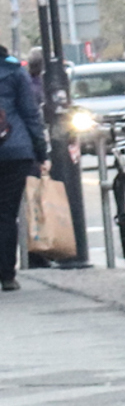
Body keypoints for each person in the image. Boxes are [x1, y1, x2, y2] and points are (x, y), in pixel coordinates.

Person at [0, 43, 49, 290]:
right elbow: (30, 113)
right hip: (14, 150)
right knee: (6, 214)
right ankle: (7, 275)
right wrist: (40, 151)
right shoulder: (15, 72)